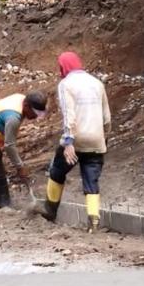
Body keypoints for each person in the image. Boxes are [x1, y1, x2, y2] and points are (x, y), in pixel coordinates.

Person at [42, 52, 111, 233]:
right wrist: (105, 137)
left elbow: (69, 115)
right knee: (91, 180)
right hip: (97, 138)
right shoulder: (97, 83)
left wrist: (68, 142)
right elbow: (106, 116)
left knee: (57, 170)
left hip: (77, 138)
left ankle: (50, 210)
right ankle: (94, 221)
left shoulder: (66, 84)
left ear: (63, 66)